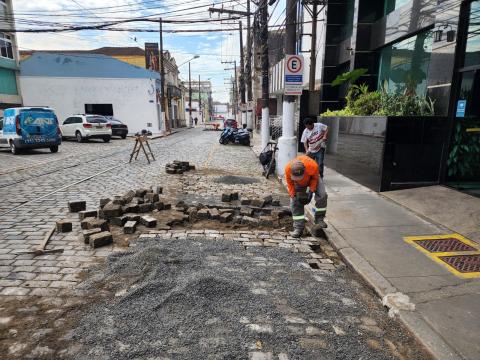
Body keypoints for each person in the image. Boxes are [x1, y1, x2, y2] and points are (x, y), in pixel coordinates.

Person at [285, 155, 328, 238]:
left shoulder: (312, 166)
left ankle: (319, 219)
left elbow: (315, 179)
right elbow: (290, 184)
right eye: (295, 178)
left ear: (304, 171)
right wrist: (293, 195)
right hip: (298, 185)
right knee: (295, 202)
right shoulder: (288, 169)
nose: (298, 179)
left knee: (323, 195)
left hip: (312, 179)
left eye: (299, 177)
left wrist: (311, 191)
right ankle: (298, 228)